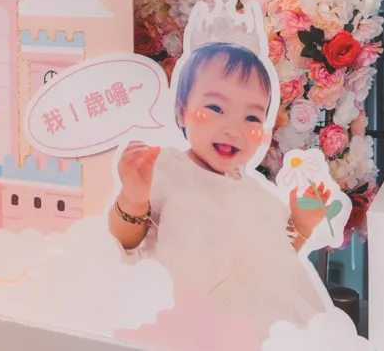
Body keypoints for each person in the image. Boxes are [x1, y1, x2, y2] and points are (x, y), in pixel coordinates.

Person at [107, 42, 331, 335]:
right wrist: (134, 199)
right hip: (185, 324)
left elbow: (273, 264)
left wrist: (301, 226)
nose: (233, 129)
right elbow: (124, 243)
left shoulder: (255, 195)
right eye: (215, 108)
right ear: (182, 112)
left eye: (251, 117)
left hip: (256, 328)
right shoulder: (167, 168)